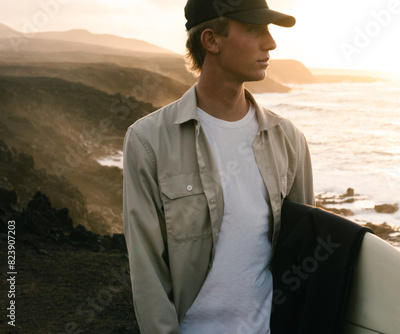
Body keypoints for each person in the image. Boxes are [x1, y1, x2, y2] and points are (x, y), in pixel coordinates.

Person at [123, 0, 315, 332]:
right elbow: (147, 271)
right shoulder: (148, 140)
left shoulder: (289, 139)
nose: (271, 43)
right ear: (211, 40)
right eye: (255, 30)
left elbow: (304, 254)